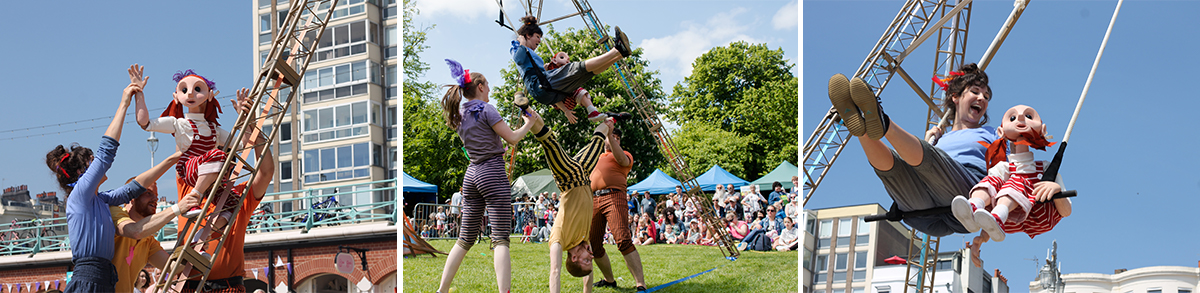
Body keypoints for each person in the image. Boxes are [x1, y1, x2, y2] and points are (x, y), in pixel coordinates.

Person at [827, 63, 997, 237]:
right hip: (923, 212)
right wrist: (928, 141)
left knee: (931, 159)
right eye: (975, 92)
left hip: (965, 196)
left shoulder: (992, 133)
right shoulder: (939, 140)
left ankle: (884, 122)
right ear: (955, 96)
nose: (982, 99)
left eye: (986, 96)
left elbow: (1010, 169)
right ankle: (860, 130)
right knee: (898, 168)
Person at [46, 70, 159, 292]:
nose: (97, 163)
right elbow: (107, 151)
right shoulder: (81, 193)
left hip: (103, 278)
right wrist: (124, 102)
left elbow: (131, 190)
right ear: (82, 172)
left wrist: (172, 159)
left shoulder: (101, 199)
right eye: (91, 161)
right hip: (89, 277)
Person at [435, 60, 536, 293]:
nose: (489, 89)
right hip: (492, 172)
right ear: (479, 86)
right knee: (500, 238)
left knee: (464, 239)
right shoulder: (486, 109)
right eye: (488, 85)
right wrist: (528, 123)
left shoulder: (458, 113)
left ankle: (442, 291)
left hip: (471, 176)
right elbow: (512, 138)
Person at [171, 85, 275, 293]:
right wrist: (194, 101)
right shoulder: (189, 188)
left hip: (228, 287)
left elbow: (266, 172)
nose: (217, 161)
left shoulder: (238, 195)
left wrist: (250, 125)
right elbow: (185, 142)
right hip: (187, 287)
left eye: (224, 156)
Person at [134, 66, 250, 236]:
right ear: (176, 96)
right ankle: (194, 197)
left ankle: (203, 237)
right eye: (184, 90)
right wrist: (139, 93)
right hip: (189, 168)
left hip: (210, 175)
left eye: (197, 89)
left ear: (209, 95)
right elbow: (145, 123)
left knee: (233, 202)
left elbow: (242, 144)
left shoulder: (214, 130)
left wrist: (244, 118)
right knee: (218, 155)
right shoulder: (178, 124)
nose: (190, 94)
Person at [950, 105, 1071, 265]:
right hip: (1010, 221)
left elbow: (1066, 211)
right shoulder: (1003, 168)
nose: (1020, 118)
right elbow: (989, 213)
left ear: (1042, 129)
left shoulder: (1046, 168)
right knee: (994, 179)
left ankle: (1000, 215)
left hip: (1040, 215)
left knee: (1018, 180)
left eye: (1028, 116)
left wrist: (1055, 190)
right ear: (1001, 132)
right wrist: (981, 238)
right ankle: (974, 206)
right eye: (1012, 118)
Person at [524, 107, 616, 293]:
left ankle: (526, 109)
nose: (590, 256)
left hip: (567, 177)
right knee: (598, 140)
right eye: (591, 260)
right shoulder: (584, 240)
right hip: (583, 173)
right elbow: (588, 275)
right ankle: (612, 120)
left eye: (586, 260)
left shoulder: (558, 240)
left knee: (550, 143)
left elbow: (555, 271)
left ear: (573, 258)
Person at [510, 16, 631, 124]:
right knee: (574, 68)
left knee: (585, 74)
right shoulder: (518, 47)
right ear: (527, 35)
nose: (540, 41)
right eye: (537, 37)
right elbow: (519, 58)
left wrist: (566, 110)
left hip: (548, 92)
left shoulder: (528, 52)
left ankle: (620, 54)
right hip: (540, 86)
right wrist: (521, 41)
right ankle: (616, 50)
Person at [113, 171, 201, 293]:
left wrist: (196, 247)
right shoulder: (114, 213)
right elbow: (135, 231)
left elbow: (171, 267)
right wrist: (177, 209)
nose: (155, 199)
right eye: (148, 193)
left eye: (156, 195)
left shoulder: (148, 240)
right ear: (131, 196)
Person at [586, 125, 648, 291]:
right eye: (611, 136)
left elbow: (622, 160)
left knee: (622, 239)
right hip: (594, 198)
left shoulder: (623, 154)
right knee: (593, 243)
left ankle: (640, 284)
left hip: (614, 195)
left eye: (617, 138)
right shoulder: (596, 157)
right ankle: (609, 280)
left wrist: (610, 136)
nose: (613, 139)